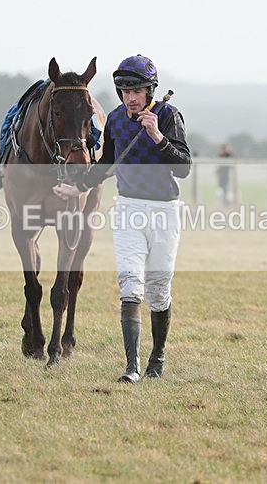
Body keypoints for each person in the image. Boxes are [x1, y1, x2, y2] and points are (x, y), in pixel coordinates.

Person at [53, 54, 191, 383]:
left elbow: (183, 167)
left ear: (150, 91)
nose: (130, 97)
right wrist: (78, 187)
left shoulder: (168, 116)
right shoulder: (115, 119)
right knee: (130, 284)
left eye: (137, 91)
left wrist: (158, 137)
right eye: (124, 91)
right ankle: (132, 367)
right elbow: (107, 163)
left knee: (158, 290)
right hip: (128, 209)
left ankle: (157, 356)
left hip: (164, 212)